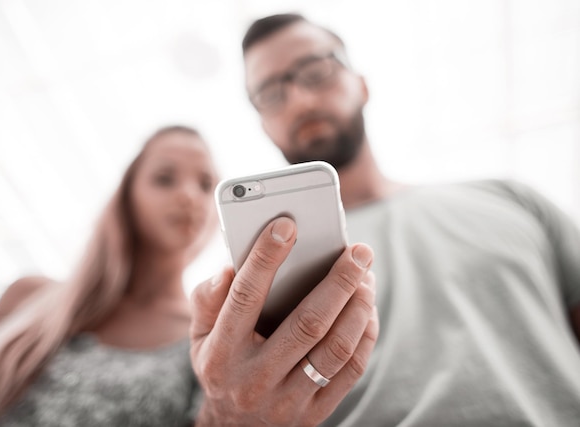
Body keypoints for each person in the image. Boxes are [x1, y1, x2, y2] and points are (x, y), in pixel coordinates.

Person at [188, 13, 580, 426]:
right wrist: (224, 415)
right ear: (264, 125)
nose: (301, 100)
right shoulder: (258, 278)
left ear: (361, 83)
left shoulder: (511, 198)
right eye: (270, 93)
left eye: (316, 70)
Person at [0, 125, 219, 427]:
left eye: (206, 184)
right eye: (164, 178)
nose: (188, 196)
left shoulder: (204, 342)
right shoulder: (27, 297)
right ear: (127, 196)